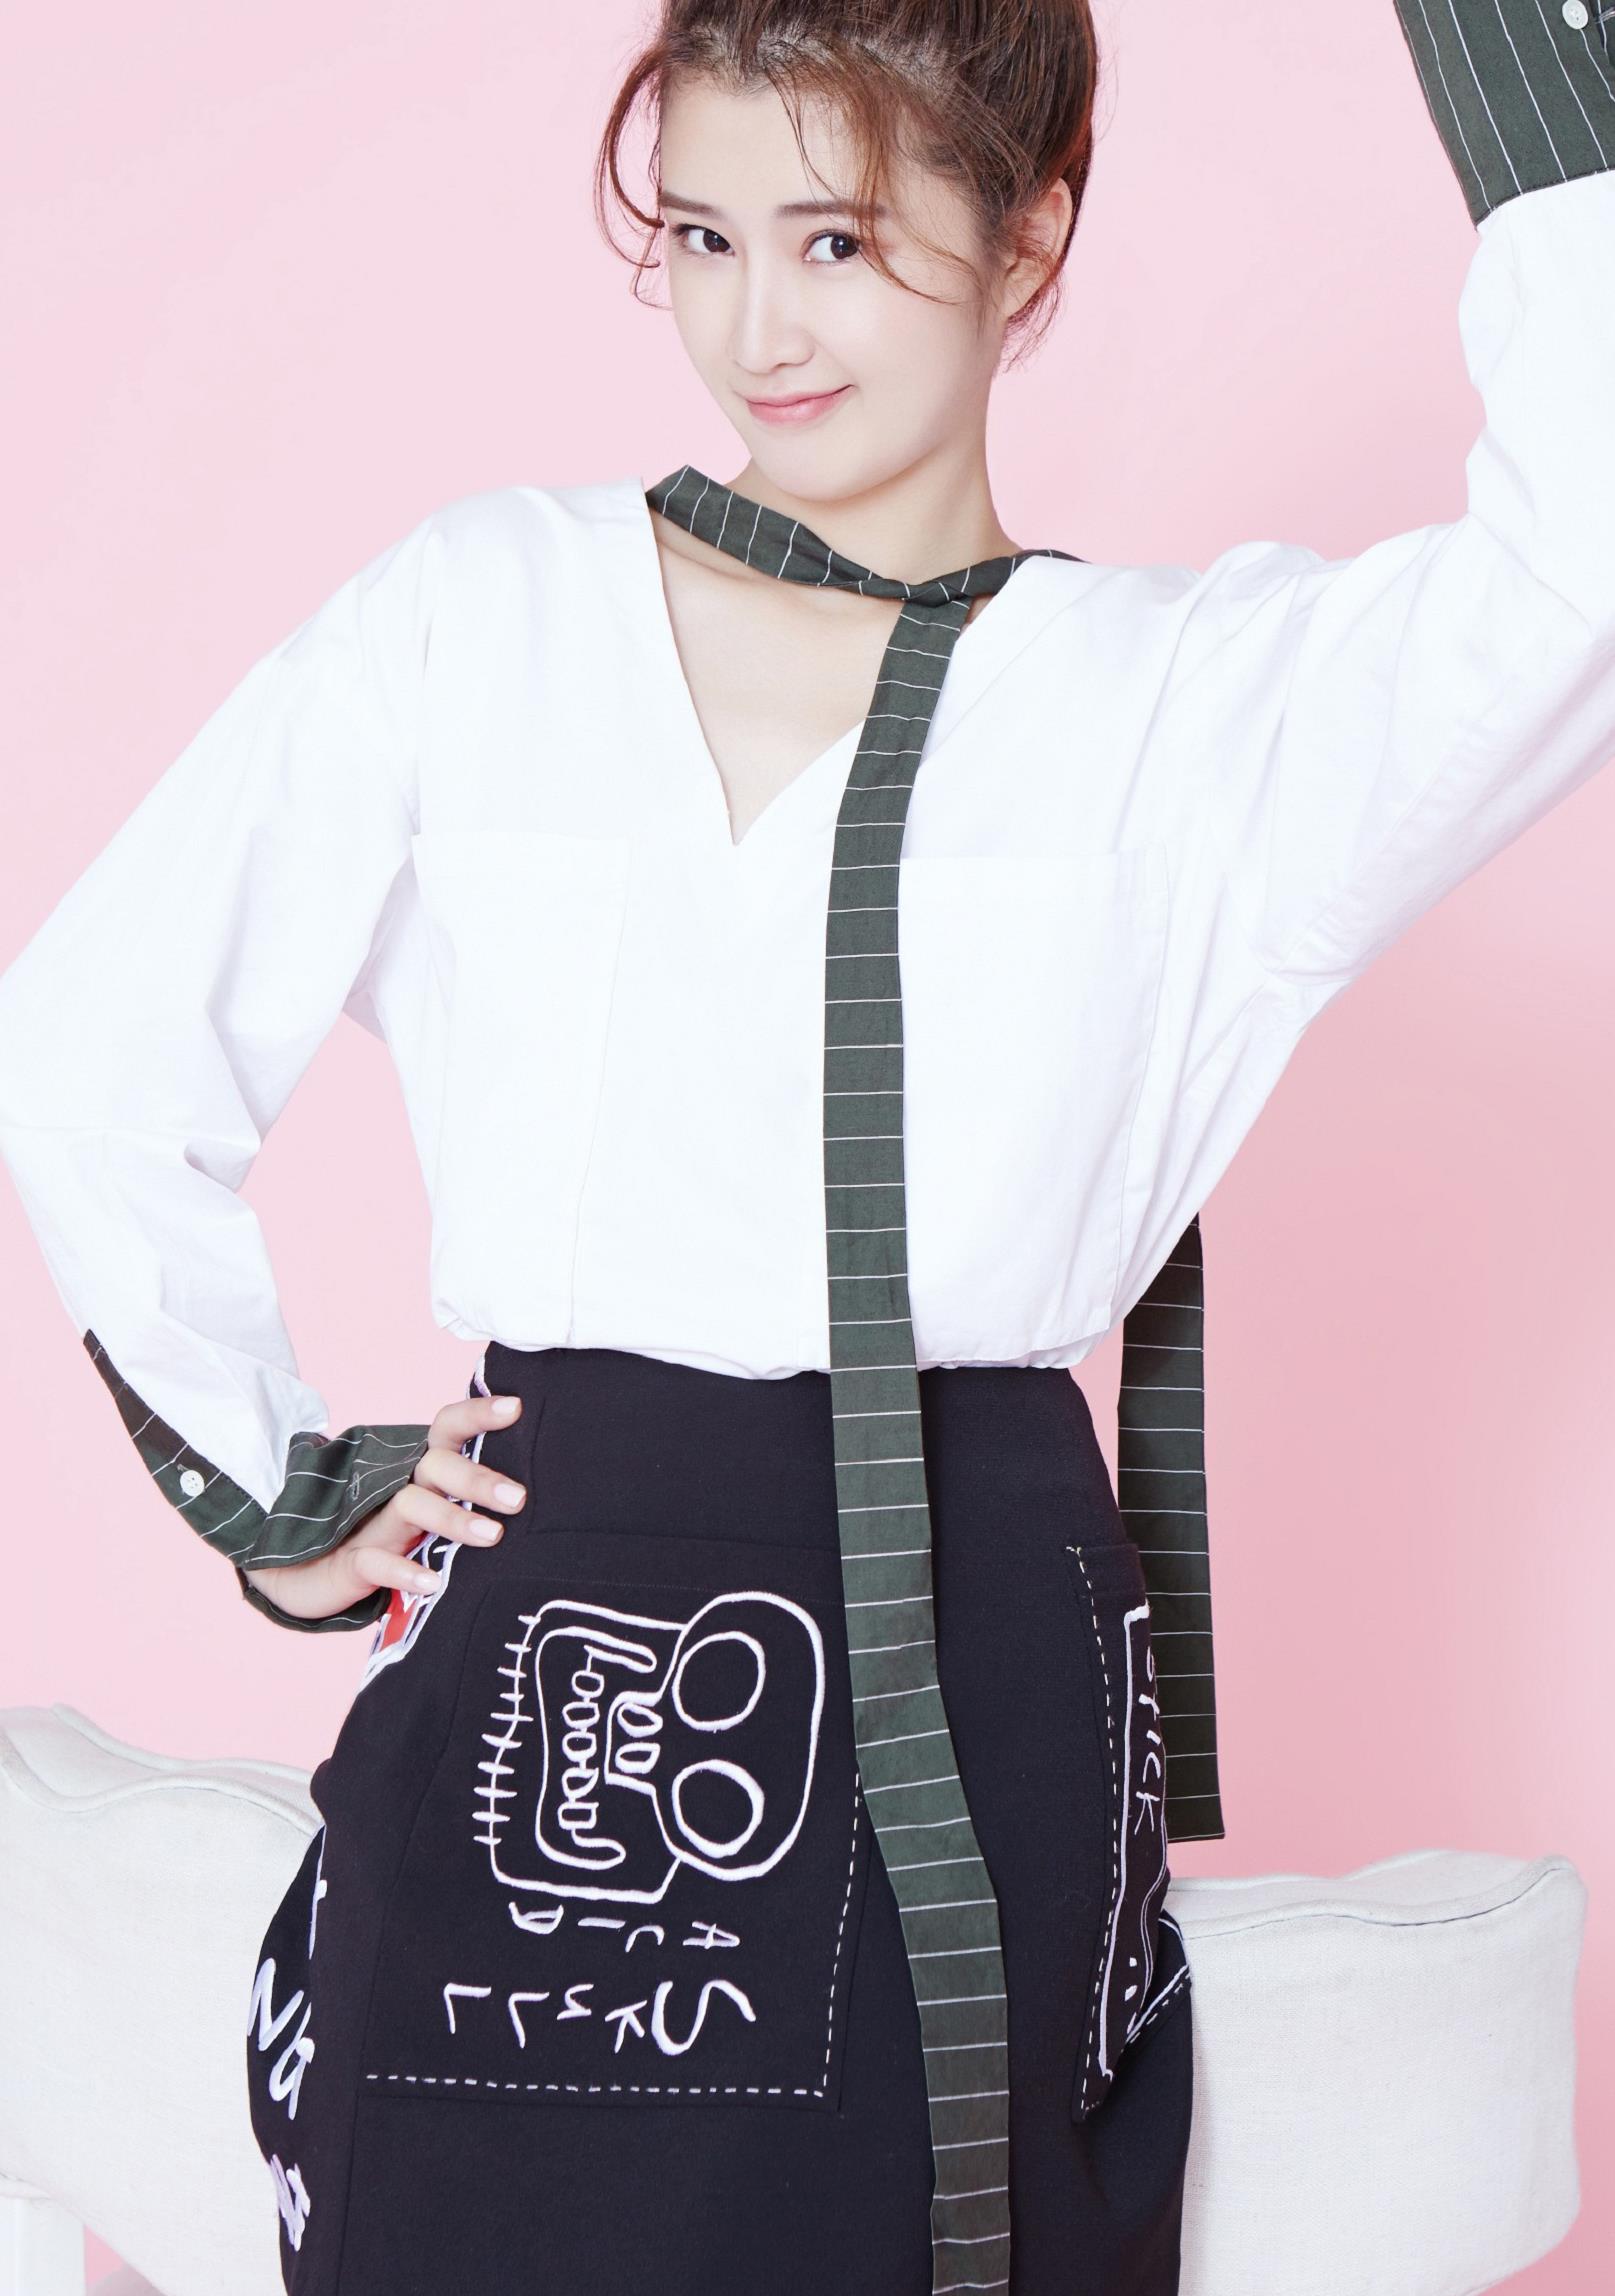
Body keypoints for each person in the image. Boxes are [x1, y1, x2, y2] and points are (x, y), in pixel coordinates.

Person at [1, 2, 1612, 2291]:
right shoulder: (481, 611)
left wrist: (1532, 90)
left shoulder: (1192, 707)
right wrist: (270, 1491)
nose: (756, 324)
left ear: (1028, 236)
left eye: (838, 239)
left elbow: (1581, 575)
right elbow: (90, 1047)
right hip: (546, 1627)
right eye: (700, 235)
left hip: (975, 1646)